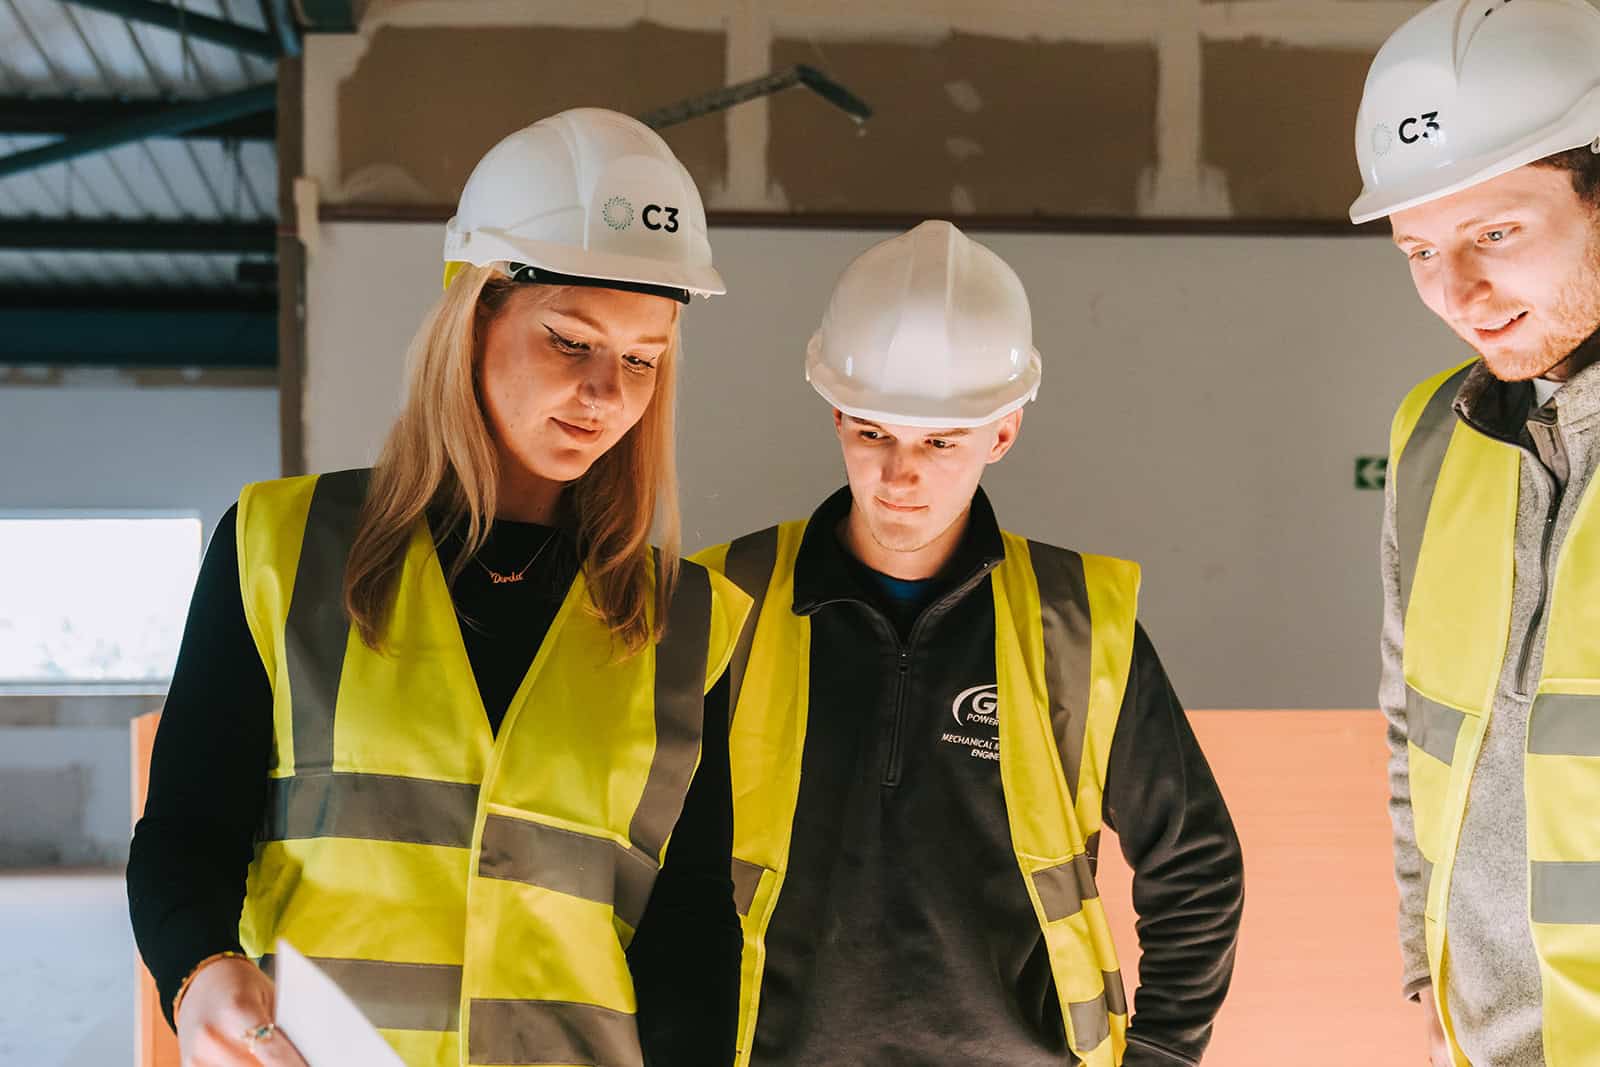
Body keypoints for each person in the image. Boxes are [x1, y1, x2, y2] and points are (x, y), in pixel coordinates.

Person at [127, 108, 751, 1067]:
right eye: (570, 340)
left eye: (641, 358)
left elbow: (690, 928)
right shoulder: (282, 550)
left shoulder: (683, 620)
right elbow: (186, 831)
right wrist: (199, 964)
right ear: (475, 313)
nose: (605, 394)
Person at [694, 220, 1243, 1066]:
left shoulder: (1078, 621)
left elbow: (1195, 862)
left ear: (1003, 432)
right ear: (837, 411)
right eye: (872, 431)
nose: (899, 473)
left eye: (940, 441)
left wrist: (1164, 1052)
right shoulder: (723, 601)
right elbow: (631, 866)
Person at [1353, 2, 1600, 1063]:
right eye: (1418, 248)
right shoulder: (1431, 436)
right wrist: (1427, 965)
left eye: (1494, 232)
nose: (1456, 293)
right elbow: (1417, 734)